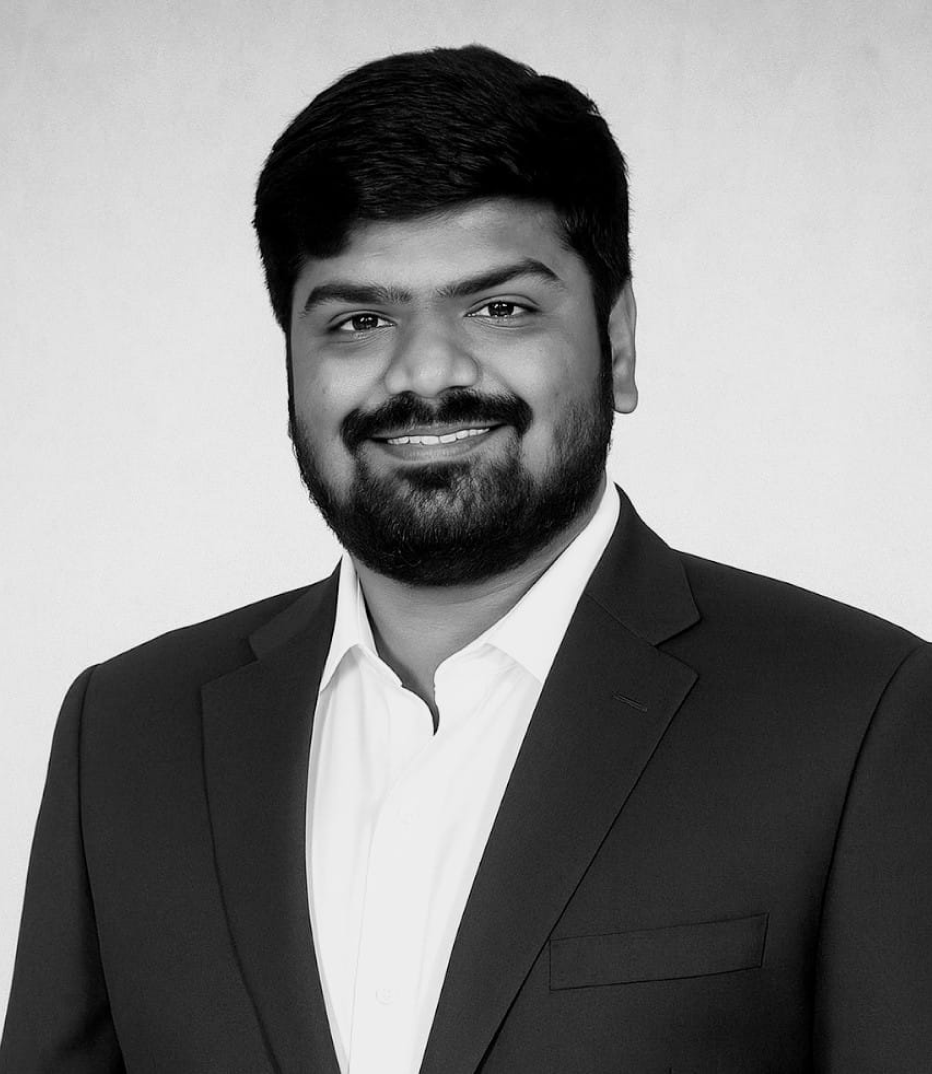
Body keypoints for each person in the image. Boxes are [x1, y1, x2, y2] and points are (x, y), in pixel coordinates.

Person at [1, 44, 930, 1074]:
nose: (426, 372)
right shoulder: (126, 735)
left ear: (617, 343)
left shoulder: (858, 717)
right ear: (291, 366)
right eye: (358, 320)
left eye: (500, 308)